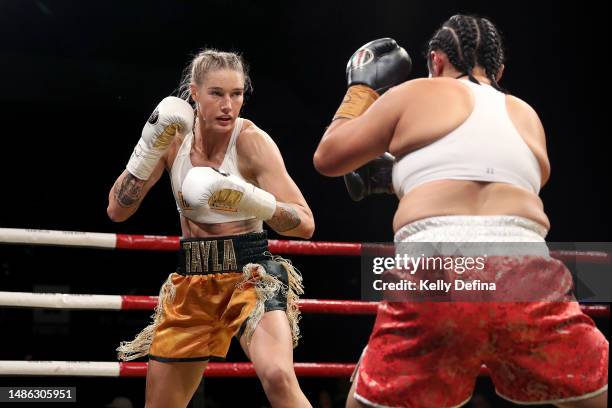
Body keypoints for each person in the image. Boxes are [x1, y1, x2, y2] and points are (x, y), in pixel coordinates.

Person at [314, 15, 608, 408]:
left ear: (436, 62)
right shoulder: (527, 116)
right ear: (499, 70)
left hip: (436, 276)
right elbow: (506, 183)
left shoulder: (416, 93)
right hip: (525, 276)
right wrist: (402, 175)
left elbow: (328, 157)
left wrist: (362, 89)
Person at [107, 49, 314, 408]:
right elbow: (117, 211)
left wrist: (250, 200)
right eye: (217, 93)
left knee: (279, 377)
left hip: (250, 274)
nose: (228, 105)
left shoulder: (252, 142)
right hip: (192, 279)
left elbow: (305, 222)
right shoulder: (173, 140)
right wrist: (146, 150)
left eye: (236, 94)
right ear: (194, 94)